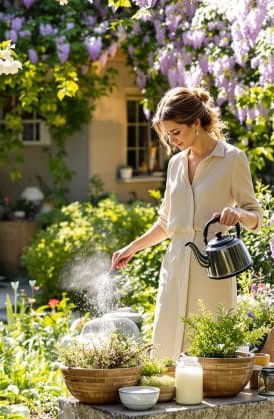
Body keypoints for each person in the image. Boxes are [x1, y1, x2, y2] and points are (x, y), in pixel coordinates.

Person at [110, 87, 262, 359]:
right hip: (175, 265)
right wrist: (132, 248)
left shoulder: (232, 159)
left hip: (213, 269)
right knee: (167, 350)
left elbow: (255, 217)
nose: (171, 140)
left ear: (196, 123)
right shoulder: (175, 164)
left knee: (211, 352)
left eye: (176, 132)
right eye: (167, 135)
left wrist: (237, 213)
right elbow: (167, 223)